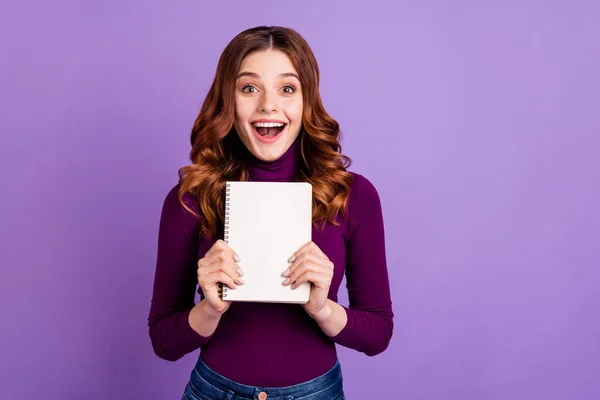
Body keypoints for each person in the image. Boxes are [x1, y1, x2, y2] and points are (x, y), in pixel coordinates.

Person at [148, 25, 394, 400]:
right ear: (227, 100)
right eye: (249, 88)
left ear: (306, 101)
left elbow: (377, 334)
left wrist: (323, 308)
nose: (268, 105)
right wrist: (210, 310)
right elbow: (164, 342)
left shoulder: (353, 196)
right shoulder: (190, 199)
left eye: (287, 88)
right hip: (215, 391)